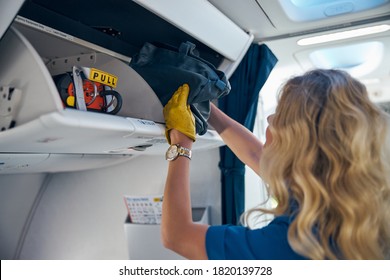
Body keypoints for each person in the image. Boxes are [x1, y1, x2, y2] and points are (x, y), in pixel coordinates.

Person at [161, 69, 390, 260]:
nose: (269, 119)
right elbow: (254, 154)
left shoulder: (294, 243)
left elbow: (177, 236)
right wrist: (205, 107)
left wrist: (182, 144)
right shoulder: (339, 195)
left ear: (299, 142)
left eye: (280, 116)